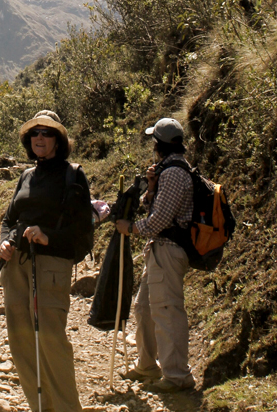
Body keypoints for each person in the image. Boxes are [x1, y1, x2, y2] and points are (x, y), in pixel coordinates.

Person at [0, 110, 91, 411]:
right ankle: (41, 406)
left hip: (51, 265)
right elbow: (10, 219)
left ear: (58, 140)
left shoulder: (72, 174)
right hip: (16, 265)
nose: (40, 137)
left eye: (47, 133)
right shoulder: (26, 176)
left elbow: (83, 230)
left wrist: (48, 235)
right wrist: (5, 242)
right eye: (35, 133)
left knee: (50, 339)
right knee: (20, 338)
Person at [115, 118, 197, 393]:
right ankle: (147, 364)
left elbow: (158, 220)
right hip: (159, 249)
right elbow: (153, 206)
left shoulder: (174, 174)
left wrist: (131, 228)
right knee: (145, 308)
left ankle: (176, 376)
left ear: (158, 144)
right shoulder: (167, 172)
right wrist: (151, 186)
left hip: (168, 250)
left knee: (167, 311)